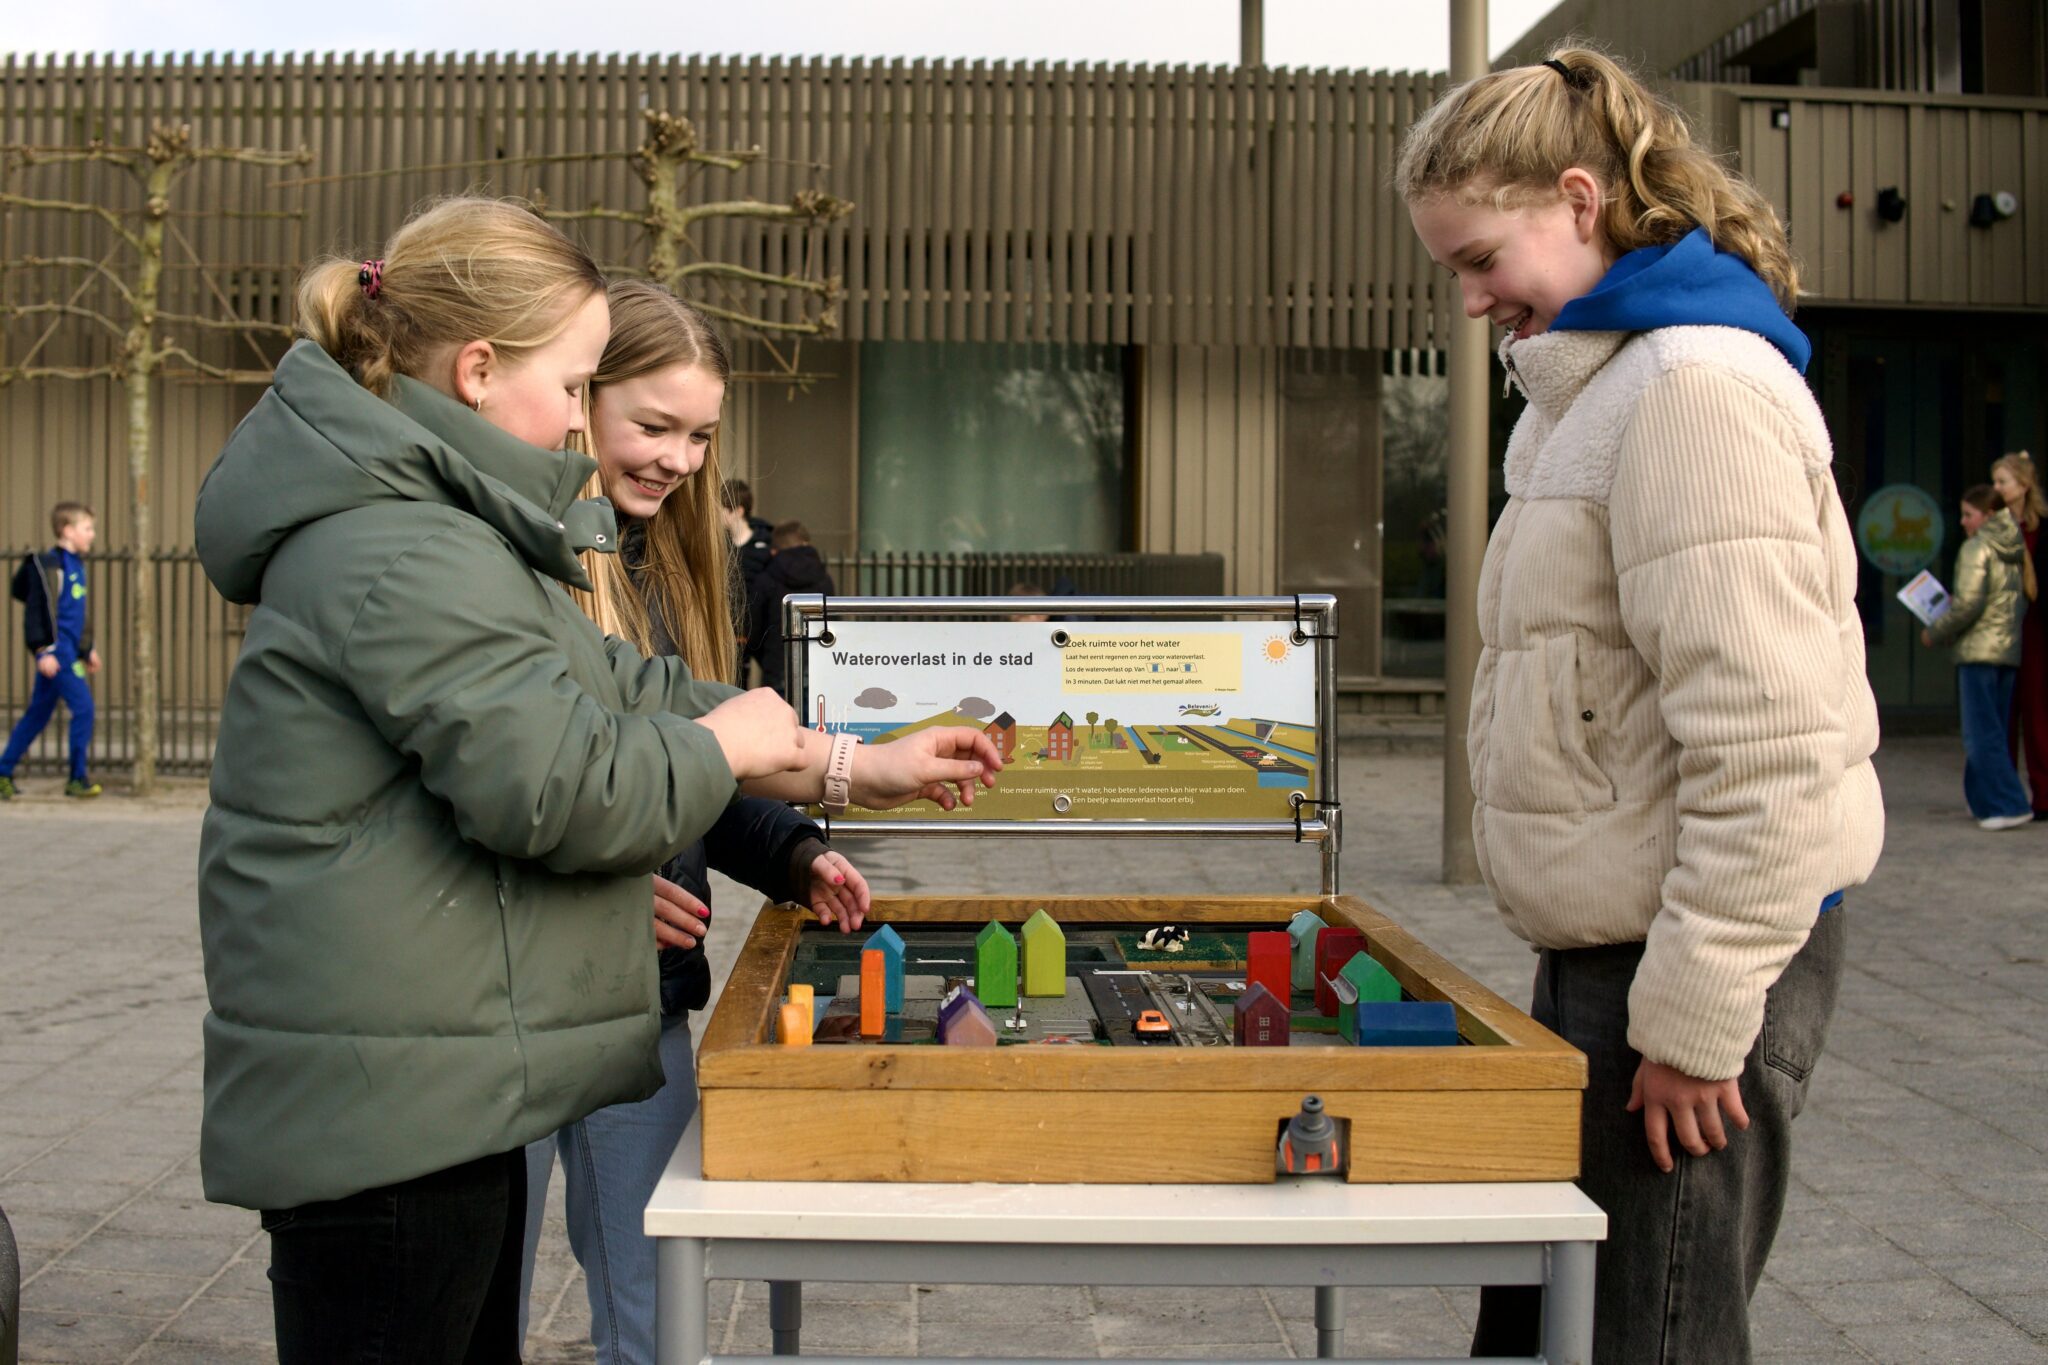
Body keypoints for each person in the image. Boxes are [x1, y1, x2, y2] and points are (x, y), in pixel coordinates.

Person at [192, 195, 1001, 1363]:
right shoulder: (406, 543)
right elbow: (559, 785)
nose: (580, 421)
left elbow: (628, 690)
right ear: (478, 371)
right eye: (576, 385)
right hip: (395, 1106)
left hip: (434, 1079)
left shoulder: (439, 524)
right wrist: (730, 751)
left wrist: (847, 765)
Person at [1398, 47, 1884, 1363]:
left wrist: (1691, 1026)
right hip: (1617, 954)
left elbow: (1772, 750)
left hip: (1685, 972)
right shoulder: (1590, 396)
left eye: (1481, 259)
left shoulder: (1693, 393)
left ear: (1579, 198)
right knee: (1554, 1328)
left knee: (1642, 1335)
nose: (1472, 297)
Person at [515, 280, 873, 1365]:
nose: (676, 457)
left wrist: (796, 852)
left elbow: (692, 780)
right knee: (472, 1300)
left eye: (700, 434)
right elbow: (501, 784)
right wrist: (598, 893)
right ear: (581, 398)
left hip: (646, 1012)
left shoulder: (674, 568)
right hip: (510, 1014)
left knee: (654, 1305)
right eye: (653, 424)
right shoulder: (513, 565)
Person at [1920, 486, 2031, 830]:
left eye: (1969, 514)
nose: (1964, 521)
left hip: (1979, 650)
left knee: (1981, 734)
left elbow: (1969, 604)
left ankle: (2008, 803)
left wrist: (1935, 631)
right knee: (1993, 728)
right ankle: (1983, 801)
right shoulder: (2013, 547)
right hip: (2007, 648)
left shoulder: (1977, 547)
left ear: (1985, 516)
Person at [1, 502, 102, 799]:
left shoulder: (77, 566)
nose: (92, 535)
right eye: (88, 528)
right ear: (68, 531)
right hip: (57, 657)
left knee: (37, 714)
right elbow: (36, 613)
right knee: (84, 710)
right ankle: (76, 779)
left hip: (71, 653)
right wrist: (41, 651)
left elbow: (75, 615)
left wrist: (88, 648)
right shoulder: (49, 567)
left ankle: (3, 770)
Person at [1991, 451, 2046, 818]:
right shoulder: (1992, 527)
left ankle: (2044, 796)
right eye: (1994, 482)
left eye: (2003, 482)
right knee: (2002, 713)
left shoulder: (2041, 528)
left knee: (2039, 711)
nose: (1996, 488)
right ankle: (2006, 797)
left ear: (2023, 485)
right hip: (2000, 629)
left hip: (2037, 630)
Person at [746, 519, 836, 696]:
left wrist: (767, 659)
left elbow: (753, 628)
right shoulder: (824, 578)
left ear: (774, 550)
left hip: (778, 664)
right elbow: (832, 623)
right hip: (818, 665)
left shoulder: (767, 579)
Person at [721, 477, 774, 669]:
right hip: (726, 631)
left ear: (738, 511)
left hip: (759, 631)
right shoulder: (719, 545)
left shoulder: (766, 546)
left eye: (721, 508)